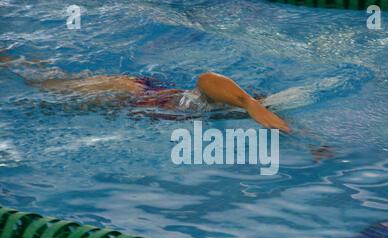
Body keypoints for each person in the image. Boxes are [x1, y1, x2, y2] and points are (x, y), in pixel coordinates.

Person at [0, 55, 291, 133]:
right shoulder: (216, 100)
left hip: (138, 102)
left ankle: (14, 61)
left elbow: (285, 124)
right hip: (131, 93)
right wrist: (251, 105)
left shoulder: (229, 111)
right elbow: (207, 79)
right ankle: (9, 60)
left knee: (54, 90)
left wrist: (313, 145)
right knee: (44, 90)